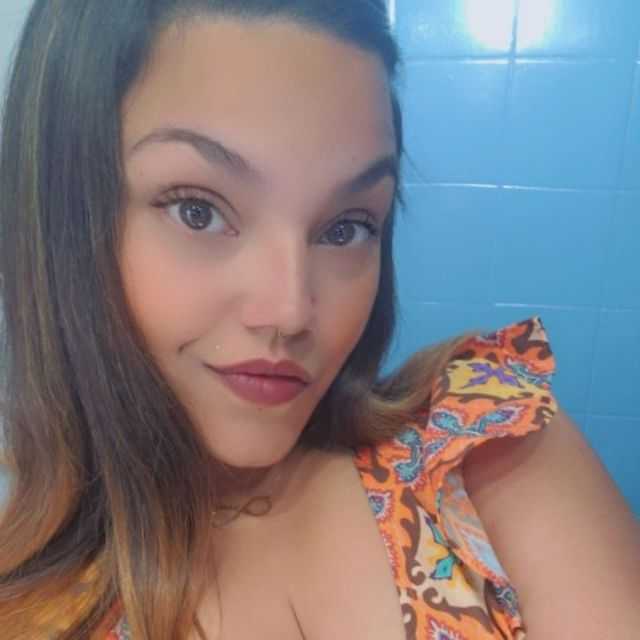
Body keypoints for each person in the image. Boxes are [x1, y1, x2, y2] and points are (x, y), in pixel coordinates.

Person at [0, 1, 638, 639]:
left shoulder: (488, 452)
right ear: (65, 217)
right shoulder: (25, 604)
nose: (289, 312)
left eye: (345, 228)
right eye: (198, 211)